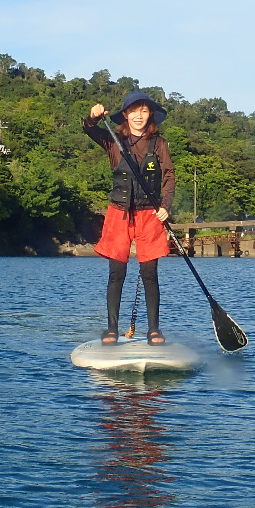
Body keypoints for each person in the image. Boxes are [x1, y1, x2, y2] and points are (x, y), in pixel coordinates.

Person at [84, 91, 176, 345]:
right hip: (119, 213)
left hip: (150, 213)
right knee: (117, 273)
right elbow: (89, 129)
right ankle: (112, 329)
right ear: (125, 115)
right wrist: (92, 117)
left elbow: (169, 176)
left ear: (150, 115)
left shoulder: (159, 144)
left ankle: (154, 330)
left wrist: (165, 205)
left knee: (150, 274)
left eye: (144, 111)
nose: (138, 116)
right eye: (134, 111)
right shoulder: (113, 140)